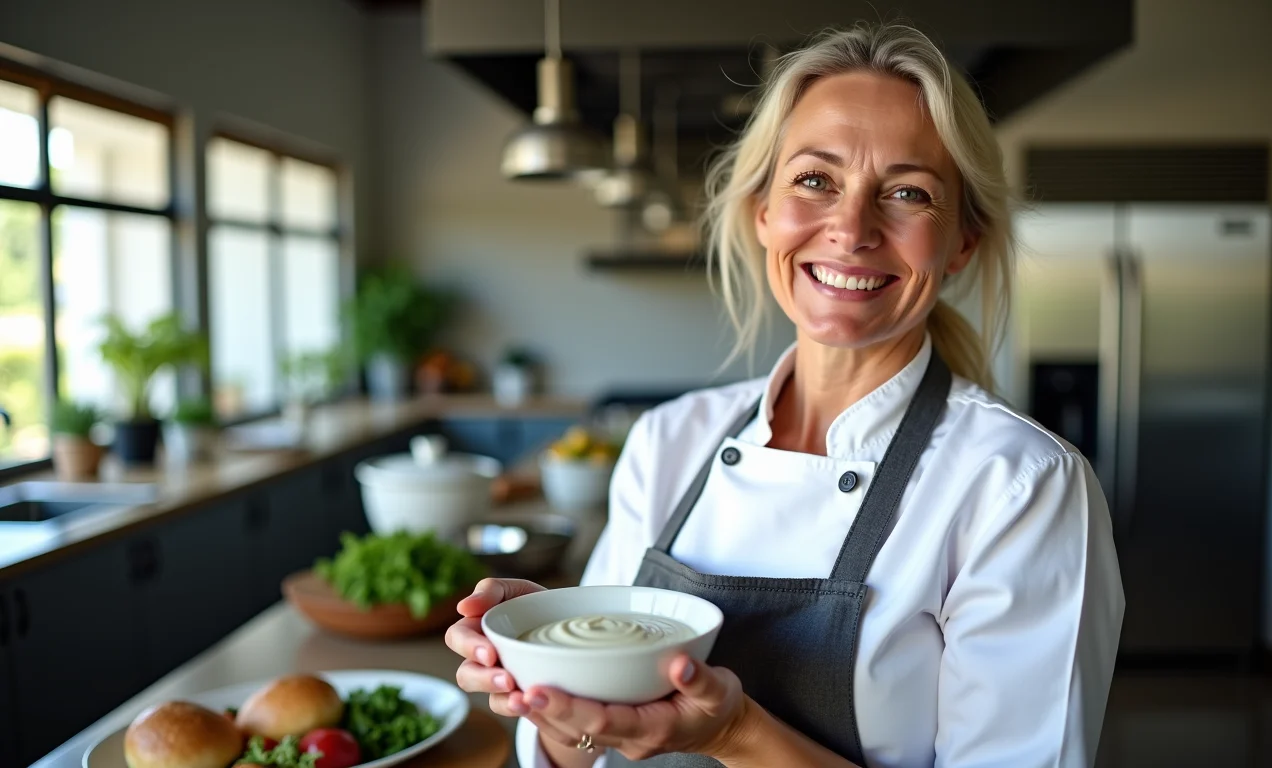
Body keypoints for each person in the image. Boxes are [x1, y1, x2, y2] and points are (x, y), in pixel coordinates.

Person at [446, 20, 1124, 768]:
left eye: (908, 192)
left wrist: (737, 735)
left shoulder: (1018, 487)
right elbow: (585, 747)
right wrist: (545, 676)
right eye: (815, 180)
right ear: (764, 208)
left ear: (960, 241)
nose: (852, 227)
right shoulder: (669, 442)